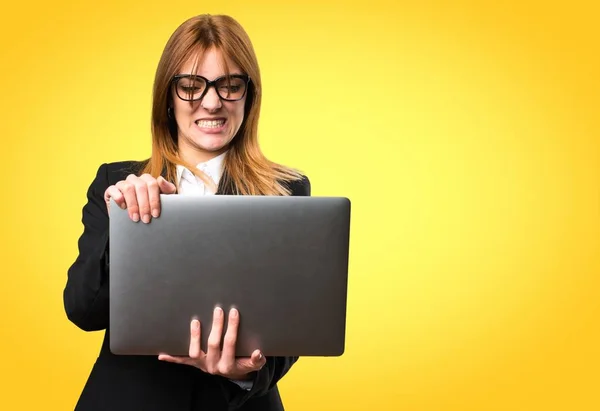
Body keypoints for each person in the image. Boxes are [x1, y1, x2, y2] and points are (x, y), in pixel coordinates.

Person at [63, 13, 311, 411]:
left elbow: (289, 330)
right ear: (168, 96)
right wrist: (121, 221)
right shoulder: (117, 181)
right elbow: (83, 309)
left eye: (230, 85)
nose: (212, 102)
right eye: (192, 86)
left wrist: (242, 372)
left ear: (249, 96)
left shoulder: (285, 190)